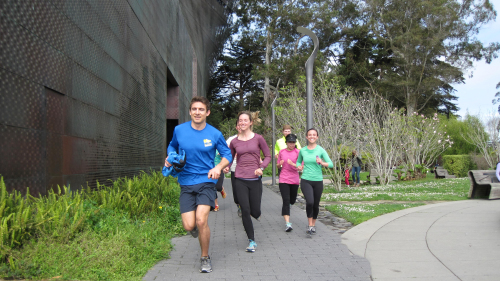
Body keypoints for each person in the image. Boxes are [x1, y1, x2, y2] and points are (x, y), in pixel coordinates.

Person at [165, 96, 232, 273]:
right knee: (189, 226)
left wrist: (218, 167)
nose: (197, 112)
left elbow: (227, 155)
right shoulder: (179, 130)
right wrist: (170, 158)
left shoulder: (215, 134)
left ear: (207, 112)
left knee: (201, 220)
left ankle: (204, 257)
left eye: (201, 109)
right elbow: (172, 146)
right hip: (186, 182)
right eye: (194, 109)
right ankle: (195, 229)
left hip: (206, 181)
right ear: (190, 111)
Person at [228, 111, 271, 252]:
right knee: (245, 210)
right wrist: (226, 167)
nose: (242, 122)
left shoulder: (258, 138)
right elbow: (229, 158)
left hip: (255, 179)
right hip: (240, 178)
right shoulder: (234, 142)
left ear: (251, 122)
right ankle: (251, 240)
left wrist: (262, 167)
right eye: (240, 120)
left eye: (245, 120)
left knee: (255, 211)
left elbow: (268, 156)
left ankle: (256, 214)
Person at [296, 128, 333, 238]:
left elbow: (330, 164)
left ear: (317, 137)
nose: (312, 136)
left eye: (314, 135)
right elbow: (298, 161)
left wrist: (322, 162)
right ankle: (309, 224)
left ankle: (313, 225)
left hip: (318, 181)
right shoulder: (303, 150)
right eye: (309, 135)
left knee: (316, 204)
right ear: (306, 137)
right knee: (310, 202)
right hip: (306, 180)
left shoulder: (320, 150)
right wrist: (299, 166)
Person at [277, 133, 300, 232]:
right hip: (284, 179)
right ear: (286, 143)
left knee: (292, 200)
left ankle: (290, 205)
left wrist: (293, 164)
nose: (291, 144)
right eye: (290, 142)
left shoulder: (298, 152)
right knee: (286, 200)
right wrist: (280, 164)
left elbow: (301, 167)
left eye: (293, 142)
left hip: (294, 179)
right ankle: (288, 223)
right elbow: (278, 165)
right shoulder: (282, 152)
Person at [225, 122, 242, 216]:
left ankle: (245, 207)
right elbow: (225, 152)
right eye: (238, 125)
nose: (240, 127)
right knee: (236, 192)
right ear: (236, 127)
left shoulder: (250, 138)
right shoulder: (231, 140)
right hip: (234, 168)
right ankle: (239, 205)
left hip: (247, 170)